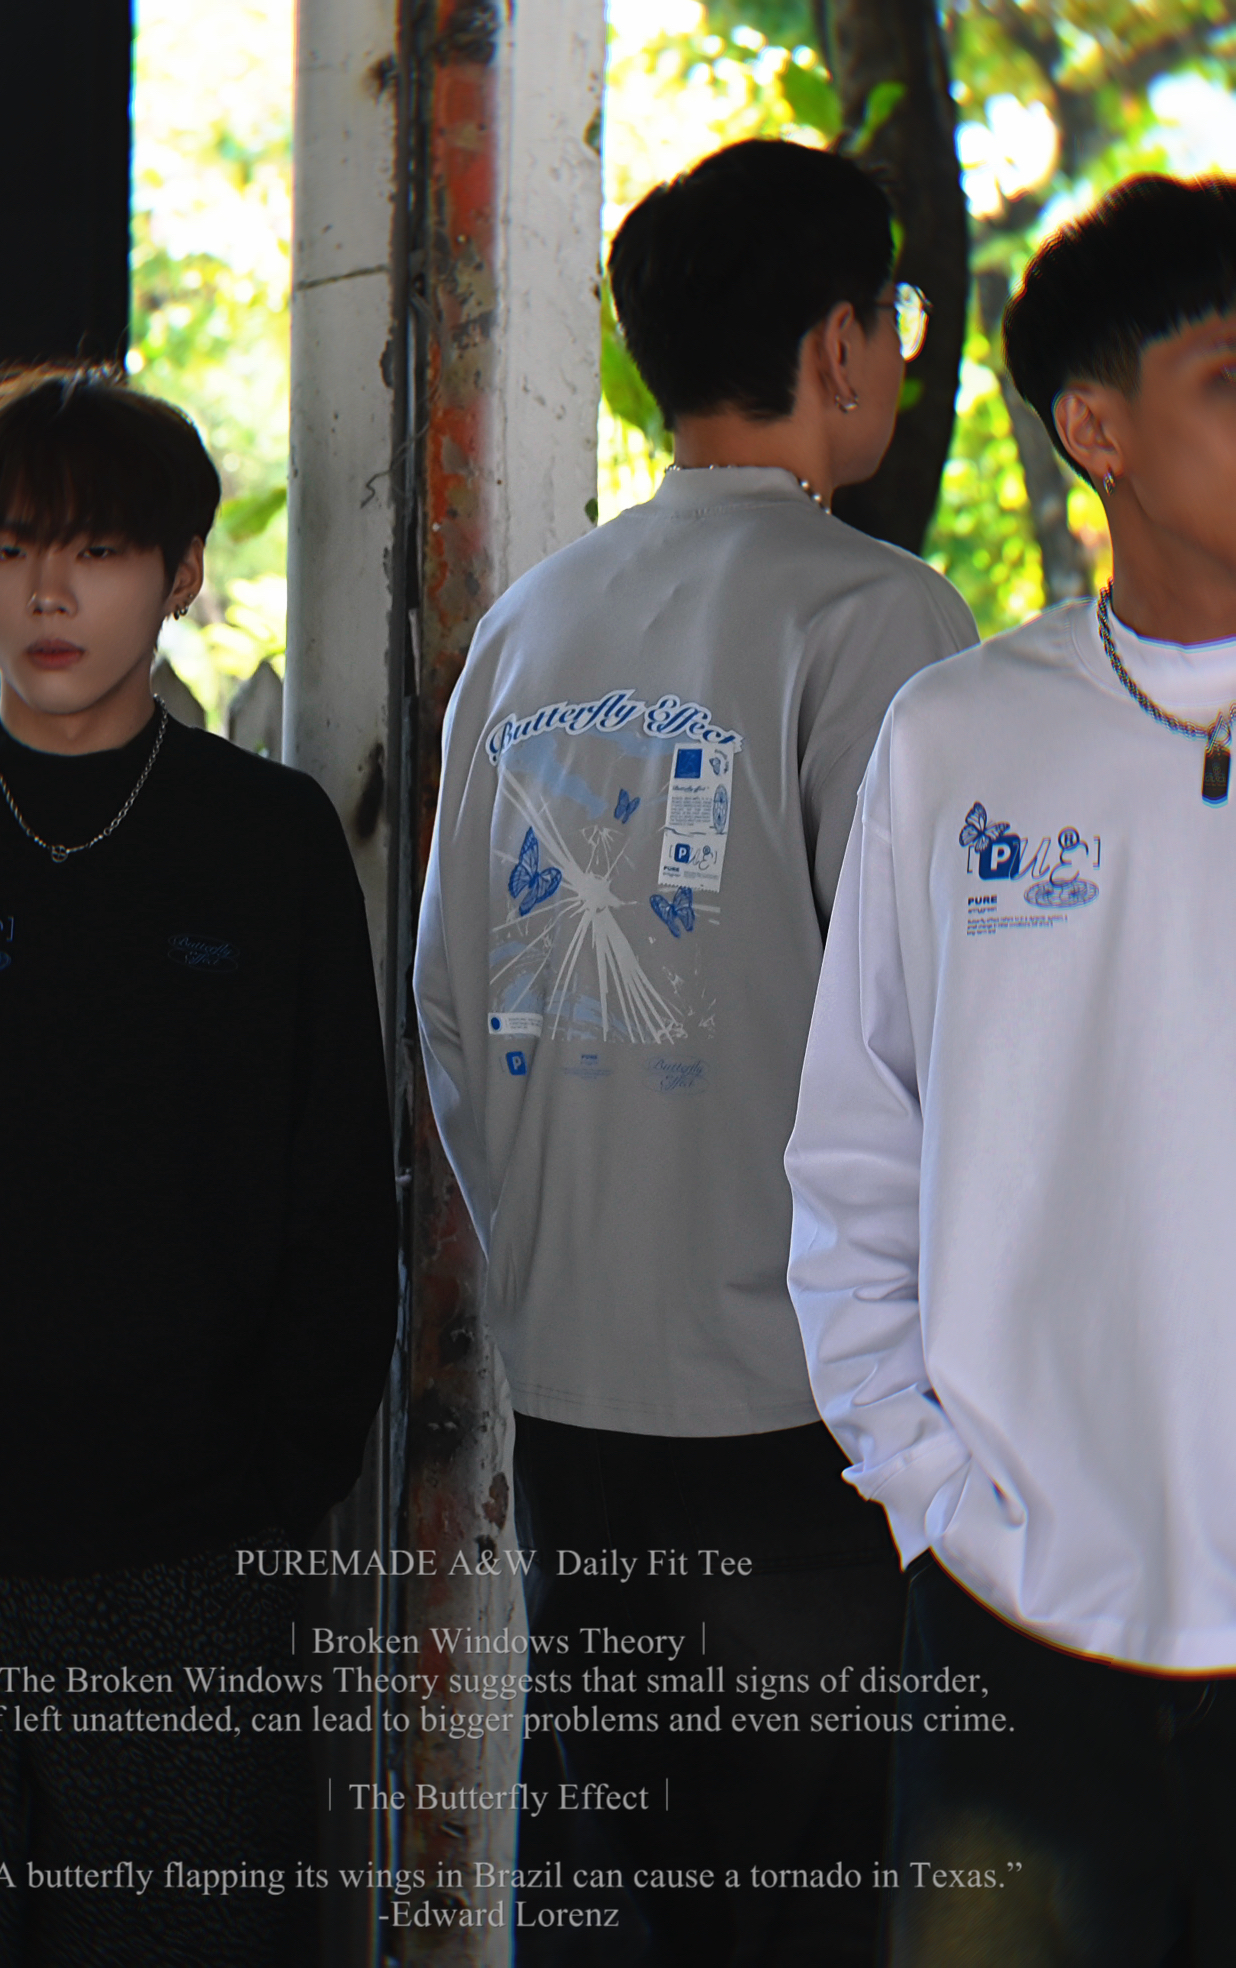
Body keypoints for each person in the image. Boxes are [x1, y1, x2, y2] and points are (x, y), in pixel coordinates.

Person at [414, 139, 976, 1962]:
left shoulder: (533, 621)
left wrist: (568, 1254)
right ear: (838, 344)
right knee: (805, 1908)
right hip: (806, 1410)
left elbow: (447, 1004)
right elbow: (942, 1035)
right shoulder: (873, 614)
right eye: (889, 317)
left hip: (578, 1385)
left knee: (611, 1889)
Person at [0, 361, 397, 1966]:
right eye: (9, 547)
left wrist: (277, 1474)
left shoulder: (265, 841)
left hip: (182, 1555)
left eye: (101, 550)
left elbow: (337, 1184)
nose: (49, 593)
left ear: (180, 574)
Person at [785, 174, 1236, 1966]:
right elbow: (856, 1149)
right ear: (1096, 431)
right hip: (1015, 1620)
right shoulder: (961, 736)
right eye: (1229, 378)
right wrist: (931, 1495)